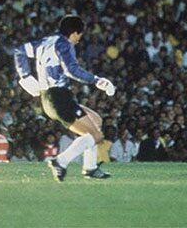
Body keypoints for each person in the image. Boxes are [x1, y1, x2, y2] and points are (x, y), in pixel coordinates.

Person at [14, 15, 116, 181]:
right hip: (58, 97)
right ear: (75, 33)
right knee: (96, 136)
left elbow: (19, 50)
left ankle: (89, 168)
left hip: (49, 98)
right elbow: (71, 70)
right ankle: (60, 161)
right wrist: (98, 80)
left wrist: (25, 75)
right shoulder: (64, 44)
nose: (79, 39)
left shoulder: (46, 41)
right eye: (79, 35)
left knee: (96, 120)